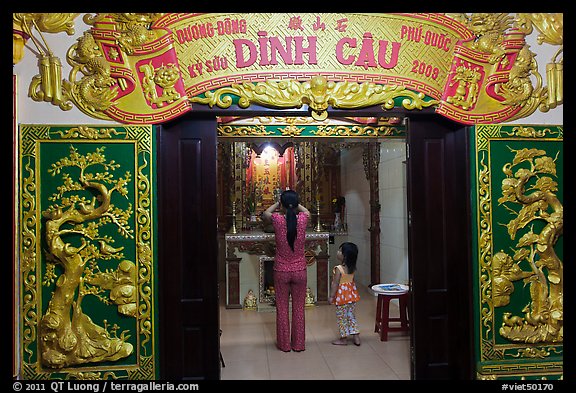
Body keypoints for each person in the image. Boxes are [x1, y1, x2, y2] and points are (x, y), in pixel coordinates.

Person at [262, 189, 311, 352]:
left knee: (282, 308)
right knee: (299, 308)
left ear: (281, 204)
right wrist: (294, 204)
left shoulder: (277, 219)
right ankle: (298, 344)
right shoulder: (303, 219)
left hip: (281, 270)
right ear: (296, 204)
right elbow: (307, 211)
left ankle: (284, 345)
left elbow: (266, 213)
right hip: (300, 270)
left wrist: (279, 203)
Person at [328, 242, 361, 346]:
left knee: (342, 318)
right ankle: (356, 337)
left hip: (341, 298)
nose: (337, 252)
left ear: (344, 256)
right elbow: (351, 281)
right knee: (351, 316)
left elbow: (335, 283)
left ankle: (343, 339)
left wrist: (331, 296)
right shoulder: (352, 268)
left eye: (340, 250)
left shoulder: (339, 269)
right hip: (351, 297)